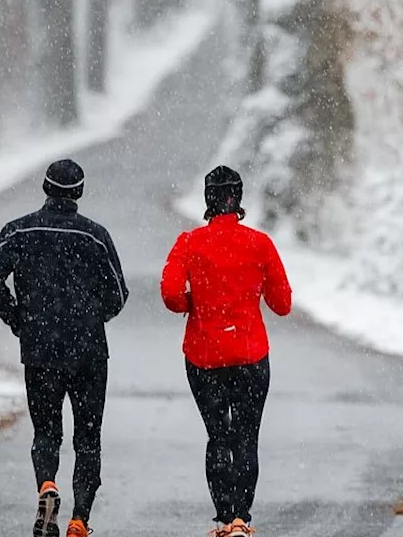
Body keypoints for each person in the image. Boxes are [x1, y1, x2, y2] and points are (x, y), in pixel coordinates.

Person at [0, 159, 129, 537]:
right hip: (89, 352)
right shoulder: (95, 236)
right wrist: (92, 318)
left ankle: (47, 485)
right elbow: (118, 294)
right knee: (87, 439)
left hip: (40, 349)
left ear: (45, 189)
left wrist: (17, 318)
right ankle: (80, 519)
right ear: (78, 192)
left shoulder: (19, 231)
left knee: (46, 433)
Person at [160, 166, 292, 537]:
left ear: (208, 200)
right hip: (251, 355)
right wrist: (253, 293)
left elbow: (170, 294)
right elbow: (282, 304)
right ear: (239, 197)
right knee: (247, 437)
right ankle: (241, 519)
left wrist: (193, 303)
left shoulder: (188, 242)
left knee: (218, 435)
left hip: (204, 356)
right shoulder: (260, 243)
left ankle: (222, 518)